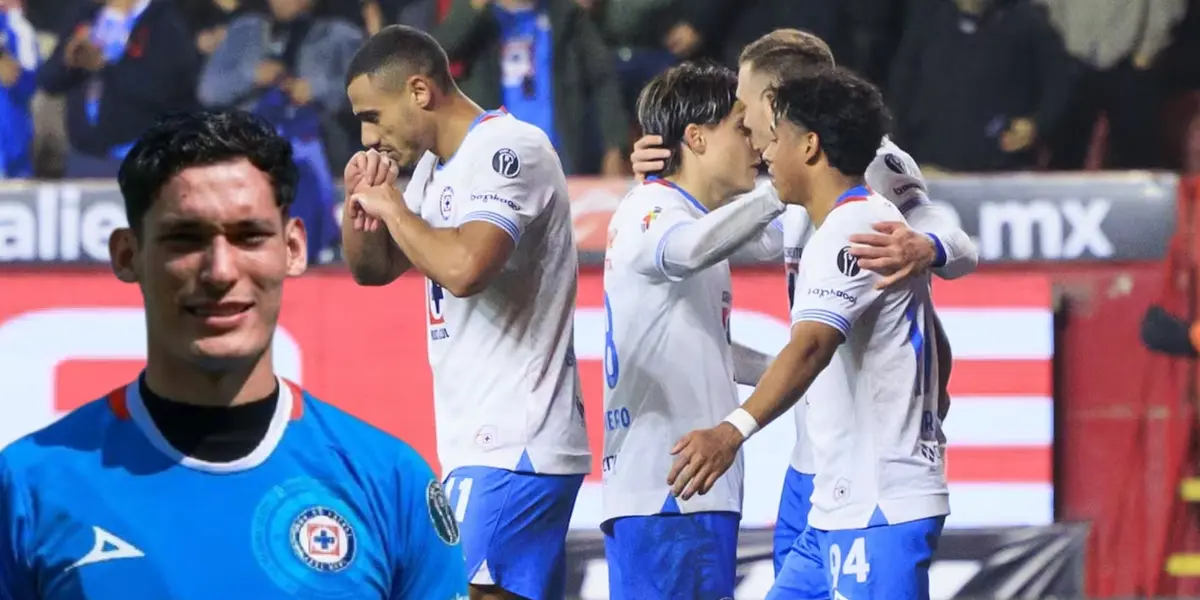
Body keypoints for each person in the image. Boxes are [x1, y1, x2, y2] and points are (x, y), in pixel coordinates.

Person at [0, 110, 469, 600]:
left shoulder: (392, 486)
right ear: (126, 255)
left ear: (292, 248)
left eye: (249, 237)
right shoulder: (26, 488)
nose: (220, 271)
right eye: (186, 238)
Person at [632, 28, 970, 583]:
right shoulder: (807, 201)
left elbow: (818, 341)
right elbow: (726, 238)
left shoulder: (868, 192)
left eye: (744, 100)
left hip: (879, 485)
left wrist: (928, 246)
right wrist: (670, 180)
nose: (738, 117)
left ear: (781, 108)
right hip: (819, 471)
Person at [342, 25, 589, 600]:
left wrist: (395, 209)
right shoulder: (434, 168)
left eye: (374, 115)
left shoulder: (510, 149)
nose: (366, 135)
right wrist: (361, 205)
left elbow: (465, 268)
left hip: (514, 437)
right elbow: (373, 270)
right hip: (482, 439)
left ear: (421, 91)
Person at [601, 62, 782, 600]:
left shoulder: (683, 212)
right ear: (697, 138)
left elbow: (703, 346)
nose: (753, 143)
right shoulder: (653, 208)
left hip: (681, 492)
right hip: (671, 491)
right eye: (740, 126)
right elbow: (686, 251)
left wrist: (787, 373)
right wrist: (779, 192)